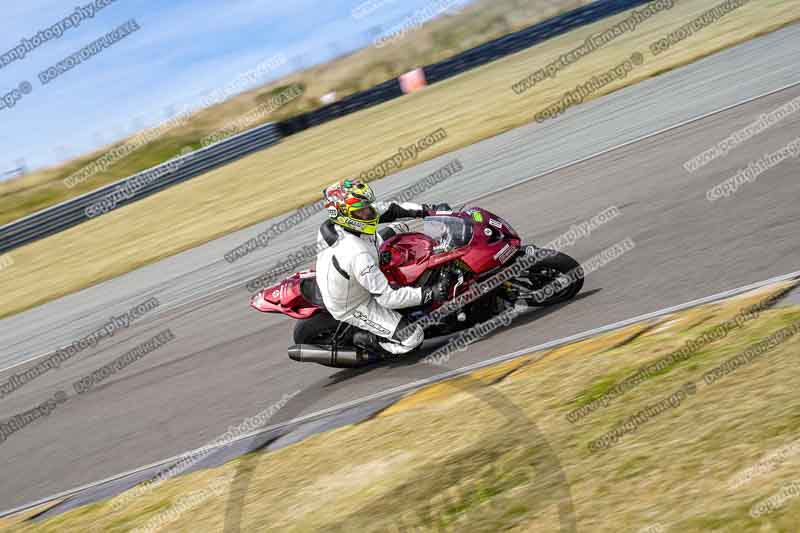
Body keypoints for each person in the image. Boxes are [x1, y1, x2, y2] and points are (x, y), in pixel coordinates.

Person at [315, 178, 451, 356]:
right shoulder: (356, 253)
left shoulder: (348, 221)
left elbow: (391, 209)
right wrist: (429, 293)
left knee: (400, 226)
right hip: (355, 304)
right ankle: (367, 341)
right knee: (412, 337)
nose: (368, 213)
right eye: (361, 210)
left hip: (357, 269)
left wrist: (430, 210)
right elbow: (388, 298)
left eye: (367, 206)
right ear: (343, 214)